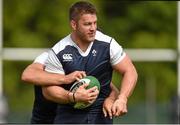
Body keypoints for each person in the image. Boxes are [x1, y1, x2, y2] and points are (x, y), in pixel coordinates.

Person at [42, 1, 138, 124]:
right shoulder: (58, 51)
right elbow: (48, 90)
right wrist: (72, 96)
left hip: (101, 114)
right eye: (87, 24)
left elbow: (130, 71)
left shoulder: (108, 44)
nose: (93, 28)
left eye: (94, 23)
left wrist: (122, 99)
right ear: (74, 24)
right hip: (69, 116)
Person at [21, 51, 119, 123]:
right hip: (44, 120)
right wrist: (65, 78)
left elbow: (111, 88)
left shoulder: (90, 63)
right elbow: (27, 75)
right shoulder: (51, 55)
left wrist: (110, 99)